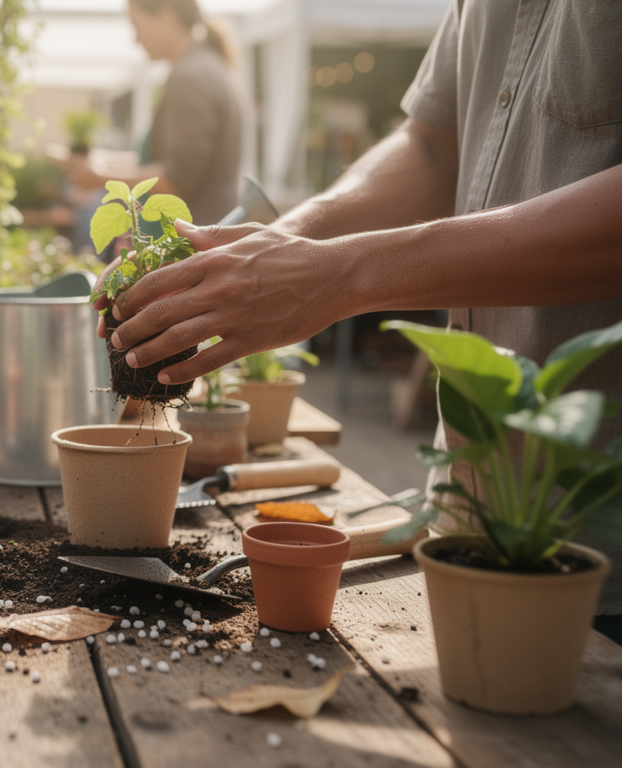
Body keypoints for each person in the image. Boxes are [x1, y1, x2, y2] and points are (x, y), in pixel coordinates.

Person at [96, 1, 622, 639]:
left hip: (601, 551)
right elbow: (431, 145)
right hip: (471, 515)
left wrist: (339, 274)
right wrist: (267, 252)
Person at [66, 0, 246, 227]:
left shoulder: (192, 78)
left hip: (191, 244)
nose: (136, 39)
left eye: (137, 25)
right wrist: (101, 163)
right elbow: (168, 161)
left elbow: (176, 180)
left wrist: (98, 179)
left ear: (166, 16)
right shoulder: (202, 67)